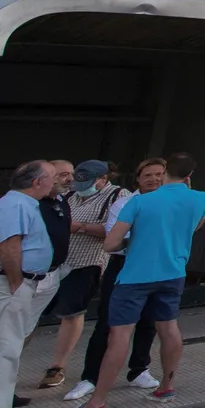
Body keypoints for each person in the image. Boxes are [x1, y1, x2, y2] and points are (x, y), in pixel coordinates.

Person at [80, 153, 205, 408]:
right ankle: (166, 386)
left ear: (164, 173)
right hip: (173, 273)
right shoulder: (201, 198)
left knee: (119, 336)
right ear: (189, 176)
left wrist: (133, 241)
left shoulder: (138, 202)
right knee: (169, 328)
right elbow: (196, 225)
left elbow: (110, 244)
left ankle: (98, 400)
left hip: (134, 277)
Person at [66, 159, 164, 402]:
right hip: (124, 265)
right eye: (148, 175)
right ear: (138, 180)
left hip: (159, 266)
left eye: (159, 174)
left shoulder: (173, 203)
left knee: (149, 321)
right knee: (107, 324)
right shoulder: (124, 203)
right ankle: (90, 377)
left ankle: (139, 369)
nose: (153, 179)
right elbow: (115, 240)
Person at [38, 161, 122, 391]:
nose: (73, 183)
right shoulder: (69, 195)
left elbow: (116, 229)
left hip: (87, 263)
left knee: (72, 312)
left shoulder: (116, 195)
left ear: (103, 179)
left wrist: (80, 226)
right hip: (56, 262)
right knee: (35, 312)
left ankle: (57, 366)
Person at [2, 161, 62, 408]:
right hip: (12, 283)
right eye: (53, 177)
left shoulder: (25, 204)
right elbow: (9, 245)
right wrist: (17, 281)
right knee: (6, 347)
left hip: (20, 282)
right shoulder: (15, 203)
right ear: (38, 182)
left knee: (10, 345)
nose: (56, 181)